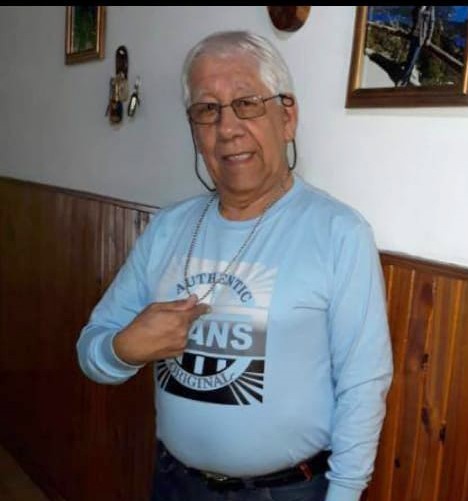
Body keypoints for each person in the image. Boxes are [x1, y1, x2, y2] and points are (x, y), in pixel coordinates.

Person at [76, 30, 393, 501]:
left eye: (247, 103)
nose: (227, 129)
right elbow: (91, 351)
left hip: (289, 492)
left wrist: (345, 493)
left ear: (287, 117)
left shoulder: (339, 232)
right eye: (207, 110)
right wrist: (125, 348)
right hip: (175, 483)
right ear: (194, 130)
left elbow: (364, 383)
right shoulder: (167, 228)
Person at [397, 6, 436, 87]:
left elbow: (431, 24)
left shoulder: (430, 8)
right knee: (409, 57)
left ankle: (403, 80)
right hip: (413, 35)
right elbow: (413, 13)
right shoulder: (418, 7)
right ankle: (406, 78)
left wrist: (429, 38)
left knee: (412, 59)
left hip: (420, 38)